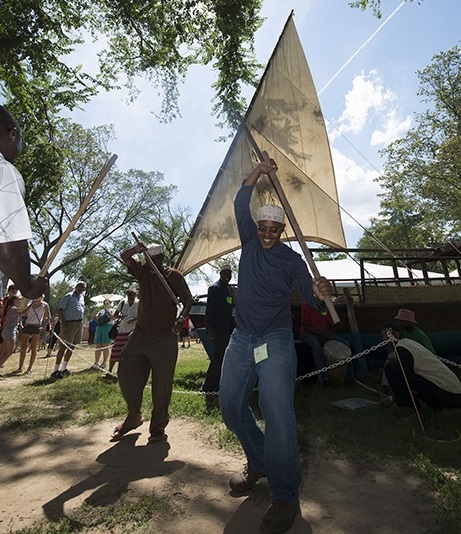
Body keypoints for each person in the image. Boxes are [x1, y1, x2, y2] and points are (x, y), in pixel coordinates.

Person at [219, 159, 333, 533]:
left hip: (276, 337)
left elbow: (310, 293)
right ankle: (260, 459)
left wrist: (320, 292)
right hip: (242, 336)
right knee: (230, 404)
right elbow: (241, 202)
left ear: (282, 230)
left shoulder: (291, 259)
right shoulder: (248, 241)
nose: (266, 234)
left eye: (272, 229)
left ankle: (285, 496)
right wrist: (258, 171)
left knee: (277, 410)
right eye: (262, 228)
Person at [111, 242, 193, 444]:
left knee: (162, 385)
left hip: (165, 338)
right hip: (140, 335)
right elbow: (125, 256)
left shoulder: (173, 276)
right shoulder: (143, 273)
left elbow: (188, 299)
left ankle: (158, 426)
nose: (147, 262)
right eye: (145, 259)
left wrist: (181, 319)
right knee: (126, 372)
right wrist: (136, 249)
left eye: (150, 259)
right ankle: (133, 416)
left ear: (159, 259)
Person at [0, 106, 47, 299]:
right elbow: (8, 247)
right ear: (13, 134)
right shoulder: (4, 170)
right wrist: (27, 285)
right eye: (21, 140)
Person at [381, 322, 461, 412]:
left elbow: (407, 383)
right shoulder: (408, 343)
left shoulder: (402, 349)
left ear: (396, 334)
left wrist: (392, 398)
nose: (384, 339)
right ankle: (441, 408)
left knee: (390, 369)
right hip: (453, 393)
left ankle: (415, 412)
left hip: (448, 394)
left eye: (385, 334)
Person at [201, 265, 234, 402]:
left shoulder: (228, 289)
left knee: (223, 358)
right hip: (218, 330)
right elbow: (209, 311)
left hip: (227, 330)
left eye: (229, 273)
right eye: (225, 273)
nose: (227, 275)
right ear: (220, 273)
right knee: (218, 358)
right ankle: (208, 387)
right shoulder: (215, 288)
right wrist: (211, 329)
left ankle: (218, 385)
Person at [300, 301, 351, 387]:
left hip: (324, 334)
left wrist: (332, 326)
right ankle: (324, 379)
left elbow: (332, 324)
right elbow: (305, 326)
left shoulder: (328, 305)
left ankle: (348, 377)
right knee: (316, 346)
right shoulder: (307, 305)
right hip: (309, 333)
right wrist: (323, 334)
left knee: (346, 344)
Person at [50, 281, 86, 378]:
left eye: (83, 288)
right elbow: (60, 310)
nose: (81, 289)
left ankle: (64, 368)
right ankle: (55, 370)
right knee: (63, 347)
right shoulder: (68, 296)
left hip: (79, 323)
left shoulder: (82, 297)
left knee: (72, 346)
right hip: (69, 324)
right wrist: (64, 323)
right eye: (80, 287)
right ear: (76, 286)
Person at [103, 288, 139, 379]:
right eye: (129, 296)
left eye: (132, 296)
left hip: (133, 330)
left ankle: (125, 372)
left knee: (130, 353)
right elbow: (115, 316)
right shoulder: (123, 303)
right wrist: (123, 317)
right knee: (116, 351)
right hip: (122, 330)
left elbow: (142, 315)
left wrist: (134, 319)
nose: (130, 298)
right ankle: (109, 372)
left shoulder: (139, 303)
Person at [13, 295, 51, 375]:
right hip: (28, 325)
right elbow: (23, 313)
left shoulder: (45, 305)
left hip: (36, 326)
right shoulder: (31, 304)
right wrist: (30, 305)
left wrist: (44, 327)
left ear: (41, 297)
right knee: (23, 347)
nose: (36, 298)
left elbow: (48, 316)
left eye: (38, 296)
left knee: (34, 348)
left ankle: (29, 368)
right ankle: (20, 367)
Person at [0, 294, 22, 377]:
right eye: (18, 299)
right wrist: (31, 305)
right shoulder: (14, 309)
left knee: (3, 352)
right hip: (9, 332)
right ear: (14, 301)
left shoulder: (9, 308)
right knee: (9, 352)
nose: (20, 301)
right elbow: (23, 312)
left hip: (5, 332)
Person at [91, 299, 115, 370]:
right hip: (99, 327)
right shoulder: (101, 311)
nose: (106, 304)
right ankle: (96, 362)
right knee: (98, 345)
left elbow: (113, 317)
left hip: (108, 327)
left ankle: (104, 362)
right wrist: (97, 317)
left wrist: (107, 310)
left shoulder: (113, 310)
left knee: (105, 345)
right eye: (104, 303)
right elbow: (95, 317)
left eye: (107, 303)